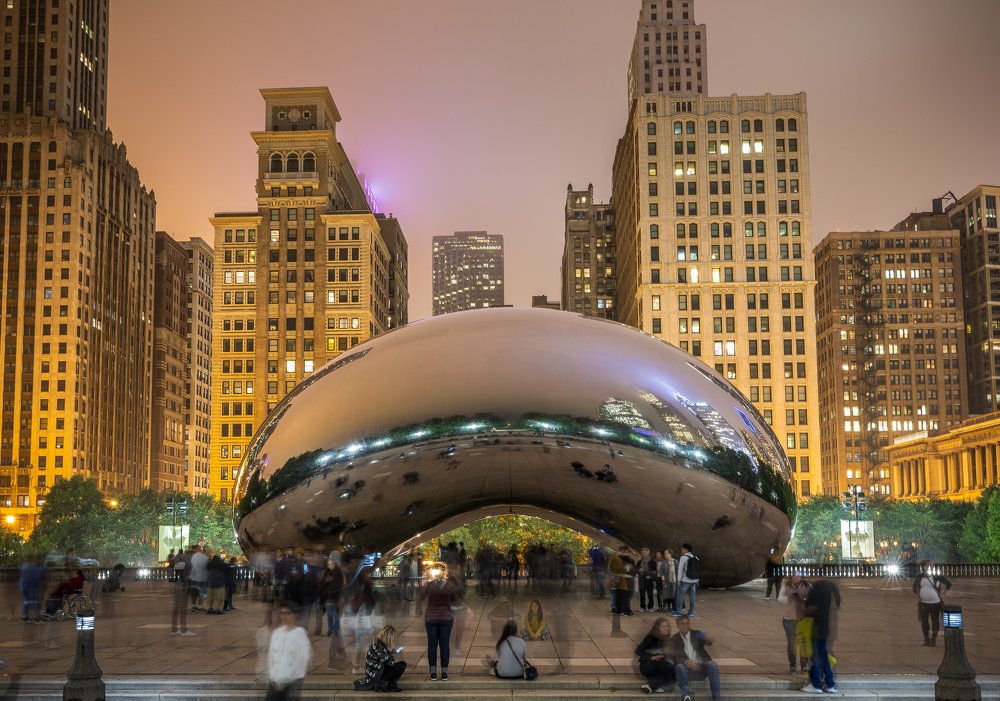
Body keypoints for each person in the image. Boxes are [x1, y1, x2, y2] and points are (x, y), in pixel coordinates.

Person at [800, 579, 840, 695]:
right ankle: (830, 684)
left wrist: (804, 610)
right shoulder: (830, 587)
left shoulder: (818, 587)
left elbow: (812, 608)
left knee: (816, 657)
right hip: (825, 628)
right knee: (823, 656)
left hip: (816, 628)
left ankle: (816, 684)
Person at [668, 615, 721, 701]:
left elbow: (707, 641)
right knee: (679, 667)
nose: (685, 626)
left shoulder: (696, 634)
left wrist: (708, 639)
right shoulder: (674, 639)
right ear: (678, 625)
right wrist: (686, 662)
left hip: (701, 667)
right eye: (682, 624)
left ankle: (717, 697)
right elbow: (674, 655)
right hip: (686, 669)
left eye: (687, 623)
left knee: (712, 665)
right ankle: (687, 696)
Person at [267, 602, 312, 701]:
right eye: (282, 613)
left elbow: (302, 660)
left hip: (292, 683)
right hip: (275, 681)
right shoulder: (277, 633)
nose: (284, 616)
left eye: (288, 613)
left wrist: (287, 680)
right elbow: (271, 658)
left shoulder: (300, 634)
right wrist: (272, 676)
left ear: (295, 615)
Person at [422, 567, 459, 680]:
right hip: (446, 618)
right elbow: (454, 600)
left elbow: (422, 596)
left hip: (431, 619)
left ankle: (433, 673)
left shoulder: (430, 585)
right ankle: (444, 673)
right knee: (444, 645)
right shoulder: (450, 586)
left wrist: (424, 583)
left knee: (432, 646)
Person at [912, 559, 952, 647]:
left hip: (935, 603)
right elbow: (915, 589)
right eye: (928, 565)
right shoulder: (919, 577)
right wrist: (919, 598)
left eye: (931, 565)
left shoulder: (937, 576)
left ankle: (933, 639)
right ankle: (926, 640)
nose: (930, 567)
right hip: (923, 604)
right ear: (923, 567)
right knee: (924, 622)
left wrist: (944, 593)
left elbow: (948, 584)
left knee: (935, 621)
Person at [357, 624, 406, 692]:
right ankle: (381, 683)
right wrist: (392, 652)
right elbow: (390, 663)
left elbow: (385, 659)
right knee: (399, 667)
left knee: (403, 664)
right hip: (375, 674)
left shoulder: (379, 642)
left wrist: (390, 651)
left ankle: (391, 684)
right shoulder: (378, 646)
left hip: (379, 669)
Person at [778, 574, 810, 674]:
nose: (797, 577)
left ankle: (804, 665)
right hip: (788, 618)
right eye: (795, 575)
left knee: (803, 642)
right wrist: (789, 598)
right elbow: (779, 598)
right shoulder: (786, 585)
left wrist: (803, 599)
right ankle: (792, 665)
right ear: (791, 576)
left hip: (802, 618)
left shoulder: (807, 585)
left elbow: (812, 599)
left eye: (799, 575)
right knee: (792, 643)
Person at [635, 617, 676, 694]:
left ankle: (650, 686)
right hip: (648, 665)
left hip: (661, 665)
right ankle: (657, 685)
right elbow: (638, 650)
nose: (666, 628)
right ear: (658, 628)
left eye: (667, 626)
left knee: (673, 668)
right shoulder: (650, 637)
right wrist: (651, 657)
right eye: (663, 626)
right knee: (667, 669)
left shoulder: (668, 640)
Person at [608, 544, 635, 615]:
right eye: (627, 551)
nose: (627, 553)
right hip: (621, 579)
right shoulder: (616, 557)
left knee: (621, 595)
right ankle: (622, 610)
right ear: (623, 550)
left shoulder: (620, 557)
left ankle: (620, 610)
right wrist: (627, 568)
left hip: (623, 579)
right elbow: (618, 569)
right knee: (623, 596)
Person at [674, 544, 700, 617]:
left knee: (680, 596)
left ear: (686, 549)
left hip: (685, 580)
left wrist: (678, 580)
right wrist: (697, 580)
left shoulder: (683, 558)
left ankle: (678, 612)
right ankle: (691, 612)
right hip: (694, 580)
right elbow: (698, 570)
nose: (681, 550)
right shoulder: (696, 557)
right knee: (692, 597)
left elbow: (680, 570)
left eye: (682, 549)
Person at [638, 547, 657, 612]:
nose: (643, 554)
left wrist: (654, 580)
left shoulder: (652, 562)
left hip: (649, 580)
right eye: (642, 553)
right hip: (641, 580)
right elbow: (635, 569)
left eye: (645, 553)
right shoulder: (639, 561)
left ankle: (650, 607)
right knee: (642, 595)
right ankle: (642, 607)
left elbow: (655, 571)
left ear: (648, 553)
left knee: (650, 594)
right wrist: (639, 570)